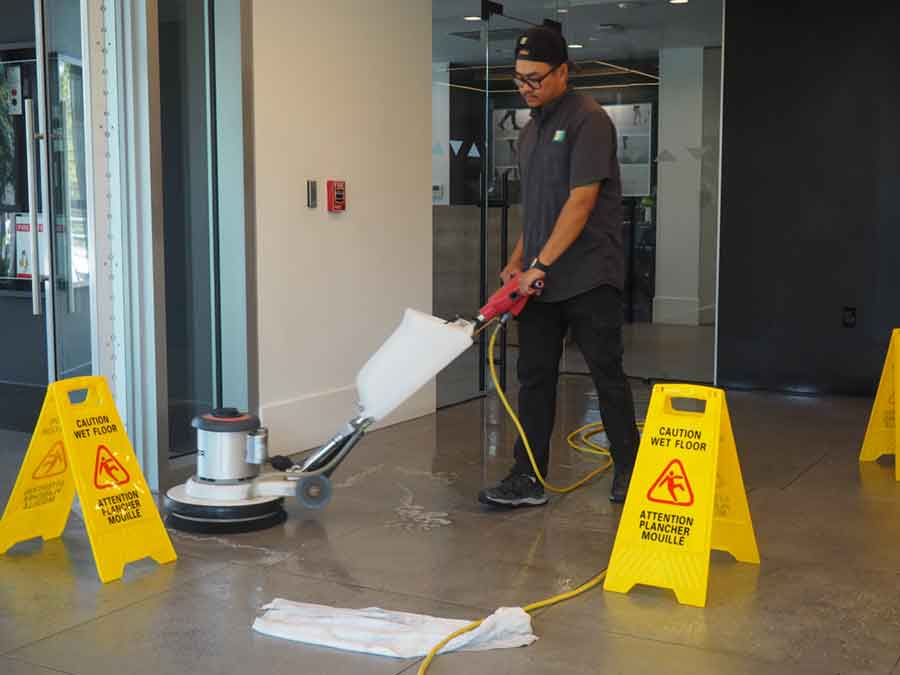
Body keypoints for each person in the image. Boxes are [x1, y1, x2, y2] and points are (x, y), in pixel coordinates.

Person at [478, 26, 640, 508]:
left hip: (590, 273)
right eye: (520, 80)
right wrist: (516, 263)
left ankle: (629, 470)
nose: (526, 88)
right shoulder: (531, 131)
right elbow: (541, 211)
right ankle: (527, 477)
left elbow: (581, 201)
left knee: (605, 372)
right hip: (540, 281)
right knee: (534, 377)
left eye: (535, 79)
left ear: (563, 71)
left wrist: (541, 262)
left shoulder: (589, 120)